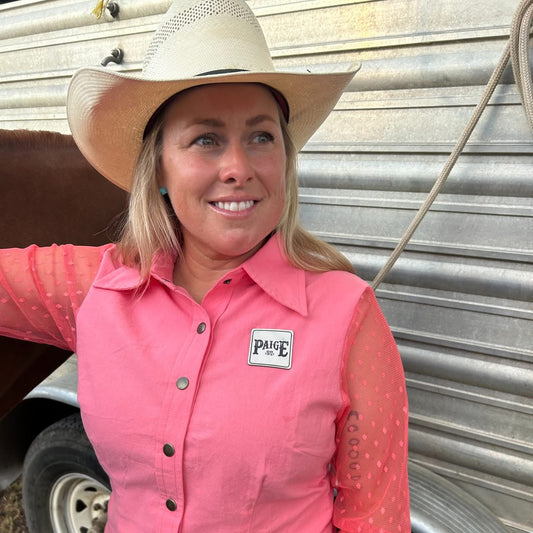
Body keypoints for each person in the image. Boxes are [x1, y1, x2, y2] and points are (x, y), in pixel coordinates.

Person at [0, 0, 410, 531]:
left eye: (261, 136)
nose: (238, 168)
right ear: (160, 169)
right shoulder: (94, 287)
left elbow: (375, 518)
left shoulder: (346, 319)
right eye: (206, 140)